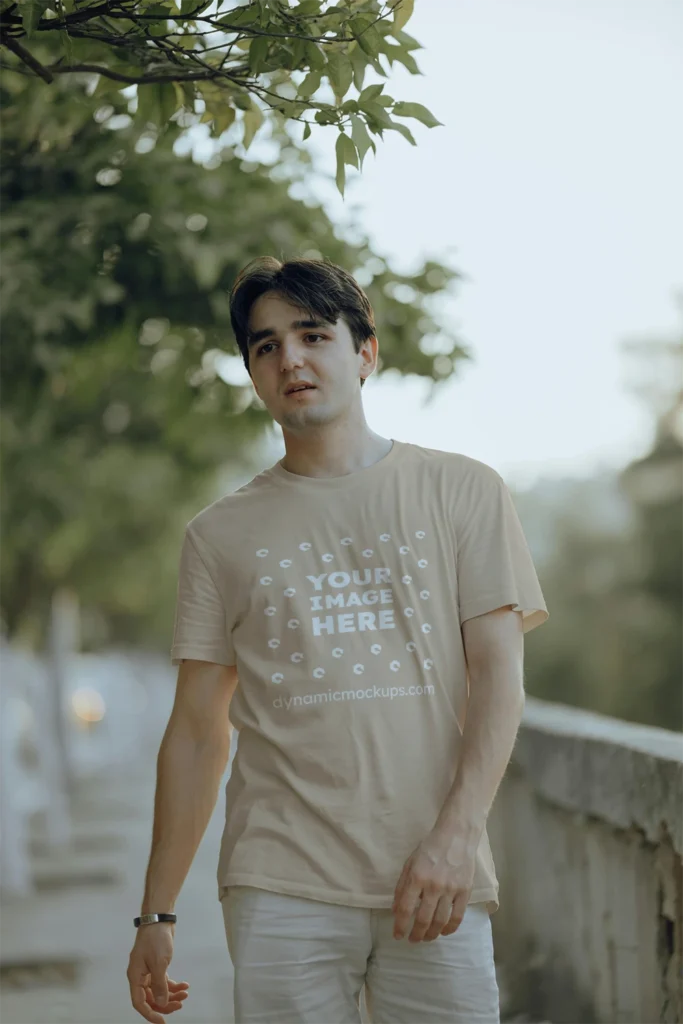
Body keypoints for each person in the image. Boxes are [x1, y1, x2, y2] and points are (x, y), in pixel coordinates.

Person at [127, 255, 549, 1024]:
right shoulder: (218, 535)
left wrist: (456, 838)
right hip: (279, 882)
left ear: (364, 352)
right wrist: (155, 914)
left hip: (436, 874)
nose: (289, 357)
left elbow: (498, 681)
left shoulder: (462, 491)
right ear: (252, 372)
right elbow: (194, 734)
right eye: (264, 345)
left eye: (312, 334)